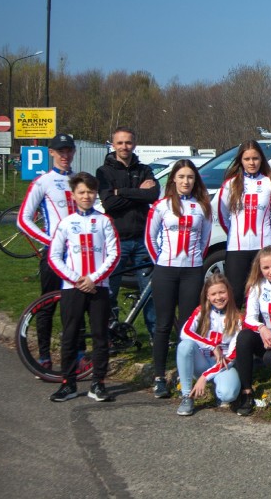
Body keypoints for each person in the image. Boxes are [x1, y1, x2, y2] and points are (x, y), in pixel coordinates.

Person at [46, 172, 119, 403]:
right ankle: (68, 384)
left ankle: (98, 383)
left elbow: (114, 254)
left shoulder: (104, 221)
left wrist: (94, 278)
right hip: (72, 287)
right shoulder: (66, 223)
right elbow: (54, 257)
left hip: (99, 287)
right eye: (82, 192)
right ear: (73, 195)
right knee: (69, 336)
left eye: (90, 192)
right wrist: (76, 279)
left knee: (100, 336)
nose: (86, 196)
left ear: (96, 193)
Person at [145, 160, 213, 399]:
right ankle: (159, 377)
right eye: (181, 177)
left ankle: (186, 376)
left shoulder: (202, 206)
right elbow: (150, 239)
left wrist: (194, 263)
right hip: (165, 270)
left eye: (190, 177)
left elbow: (205, 240)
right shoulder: (161, 206)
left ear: (195, 181)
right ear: (173, 179)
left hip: (192, 271)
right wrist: (161, 263)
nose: (186, 181)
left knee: (187, 327)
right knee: (163, 325)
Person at [17, 133, 79, 370]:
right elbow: (23, 220)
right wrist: (51, 241)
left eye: (69, 150)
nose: (65, 155)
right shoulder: (43, 181)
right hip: (54, 254)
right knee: (47, 304)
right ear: (51, 153)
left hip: (78, 255)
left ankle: (77, 353)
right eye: (60, 151)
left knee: (76, 304)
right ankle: (44, 355)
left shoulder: (79, 179)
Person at [96, 126, 159, 339]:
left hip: (142, 239)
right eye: (120, 143)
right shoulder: (104, 172)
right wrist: (137, 192)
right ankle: (111, 336)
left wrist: (121, 192)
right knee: (110, 291)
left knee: (149, 292)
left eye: (129, 142)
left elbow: (152, 195)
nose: (125, 146)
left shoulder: (144, 169)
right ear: (113, 145)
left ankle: (155, 337)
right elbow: (110, 203)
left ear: (135, 144)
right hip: (116, 241)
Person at [217, 140, 271, 308]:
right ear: (240, 161)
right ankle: (236, 332)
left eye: (255, 158)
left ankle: (263, 331)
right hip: (237, 247)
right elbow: (223, 215)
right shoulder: (230, 184)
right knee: (235, 294)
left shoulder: (270, 183)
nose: (252, 163)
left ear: (261, 160)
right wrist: (234, 233)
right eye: (247, 159)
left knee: (264, 293)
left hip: (264, 246)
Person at [175, 274, 242, 416]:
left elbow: (231, 357)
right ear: (207, 296)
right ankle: (187, 396)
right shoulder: (201, 311)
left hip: (222, 365)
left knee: (228, 395)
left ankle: (213, 385)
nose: (218, 297)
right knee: (185, 345)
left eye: (222, 292)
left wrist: (205, 377)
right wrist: (212, 346)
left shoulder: (238, 318)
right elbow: (184, 332)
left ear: (229, 292)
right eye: (213, 294)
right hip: (202, 360)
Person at [232, 246, 271, 416]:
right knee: (244, 337)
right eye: (266, 268)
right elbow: (249, 318)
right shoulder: (257, 286)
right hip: (267, 337)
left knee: (269, 360)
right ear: (260, 269)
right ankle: (246, 392)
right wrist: (262, 329)